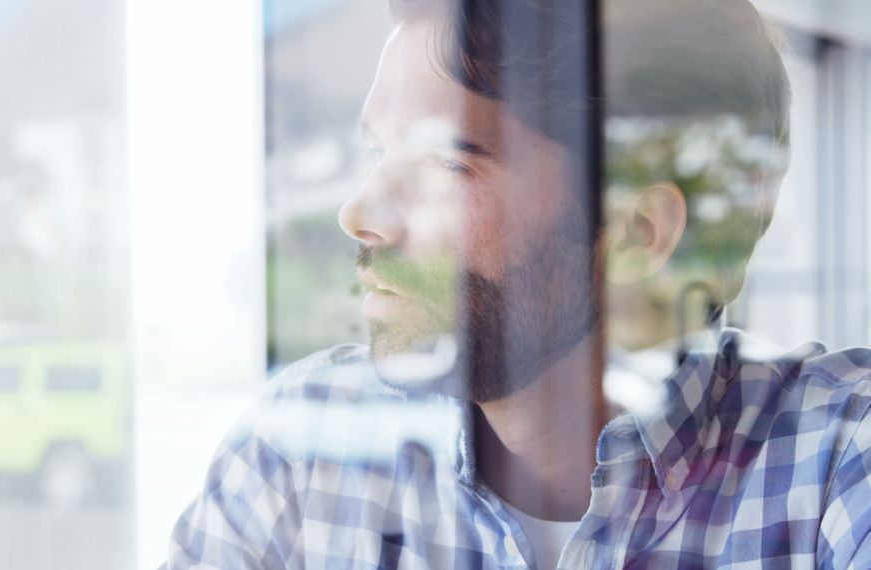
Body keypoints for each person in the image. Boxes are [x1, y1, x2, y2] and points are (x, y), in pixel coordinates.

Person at [165, 0, 871, 567]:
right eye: (381, 152)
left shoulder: (840, 457)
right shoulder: (300, 448)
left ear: (636, 231)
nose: (359, 215)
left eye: (441, 163)